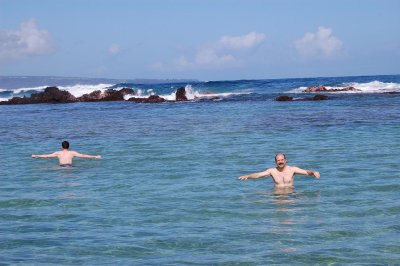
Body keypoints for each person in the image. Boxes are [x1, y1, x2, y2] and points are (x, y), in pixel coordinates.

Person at [238, 153, 320, 188]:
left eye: (282, 160)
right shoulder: (272, 171)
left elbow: (306, 172)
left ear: (285, 160)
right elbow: (258, 175)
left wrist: (313, 172)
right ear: (275, 162)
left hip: (290, 195)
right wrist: (248, 176)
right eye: (278, 160)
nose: (280, 162)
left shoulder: (292, 169)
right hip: (277, 196)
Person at [32, 141, 101, 166]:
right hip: (70, 166)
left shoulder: (58, 153)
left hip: (61, 167)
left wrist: (36, 155)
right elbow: (83, 155)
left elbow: (47, 156)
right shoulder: (72, 152)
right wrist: (95, 156)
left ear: (61, 146)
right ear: (68, 146)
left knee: (46, 167)